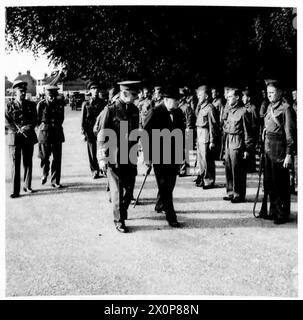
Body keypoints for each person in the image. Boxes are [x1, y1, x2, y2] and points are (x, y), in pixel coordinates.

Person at [97, 80, 141, 233]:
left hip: (130, 156)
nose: (136, 97)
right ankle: (119, 220)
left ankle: (123, 210)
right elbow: (102, 135)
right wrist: (102, 158)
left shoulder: (135, 110)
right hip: (113, 157)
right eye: (133, 94)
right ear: (124, 93)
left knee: (129, 190)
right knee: (117, 190)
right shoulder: (110, 110)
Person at [143, 86, 185, 227]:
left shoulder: (178, 112)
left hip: (173, 155)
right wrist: (147, 157)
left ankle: (160, 204)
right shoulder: (154, 112)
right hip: (159, 156)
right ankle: (171, 216)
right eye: (176, 100)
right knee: (165, 185)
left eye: (179, 100)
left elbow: (181, 135)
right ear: (166, 100)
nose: (178, 102)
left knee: (170, 183)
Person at [259, 81, 296, 224]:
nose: (269, 95)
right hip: (268, 147)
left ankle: (283, 212)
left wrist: (288, 154)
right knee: (269, 181)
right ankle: (273, 209)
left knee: (280, 182)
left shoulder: (286, 108)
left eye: (272, 92)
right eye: (268, 93)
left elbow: (290, 133)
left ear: (280, 93)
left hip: (279, 148)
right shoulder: (269, 107)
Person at [5, 80, 38, 198]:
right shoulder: (8, 105)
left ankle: (27, 186)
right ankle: (15, 190)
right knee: (15, 164)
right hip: (14, 138)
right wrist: (16, 129)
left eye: (24, 91)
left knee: (28, 162)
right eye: (20, 91)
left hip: (28, 137)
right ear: (15, 92)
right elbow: (6, 121)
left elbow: (35, 120)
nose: (23, 93)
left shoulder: (31, 105)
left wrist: (27, 127)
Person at [223, 87, 253, 203]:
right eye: (228, 96)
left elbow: (247, 132)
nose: (228, 98)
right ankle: (230, 192)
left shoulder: (243, 111)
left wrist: (247, 149)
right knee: (228, 168)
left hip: (238, 141)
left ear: (237, 97)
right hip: (228, 140)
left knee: (237, 169)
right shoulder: (229, 110)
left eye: (231, 96)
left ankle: (238, 194)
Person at [36, 85, 65, 188]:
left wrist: (55, 126)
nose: (52, 97)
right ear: (46, 95)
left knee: (57, 158)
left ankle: (55, 181)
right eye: (50, 95)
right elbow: (38, 120)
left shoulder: (60, 104)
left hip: (57, 133)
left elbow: (61, 118)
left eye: (53, 95)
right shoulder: (41, 105)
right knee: (44, 157)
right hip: (45, 133)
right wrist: (44, 127)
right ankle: (44, 173)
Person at [81, 80, 107, 179]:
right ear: (90, 91)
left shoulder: (103, 103)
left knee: (102, 150)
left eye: (97, 89)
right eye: (93, 89)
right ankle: (94, 170)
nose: (95, 90)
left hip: (100, 130)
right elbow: (82, 120)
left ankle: (103, 168)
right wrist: (82, 132)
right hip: (89, 131)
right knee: (92, 151)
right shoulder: (86, 104)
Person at [194, 85, 219, 188]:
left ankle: (209, 180)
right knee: (200, 159)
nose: (198, 97)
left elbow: (213, 125)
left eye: (200, 95)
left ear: (207, 96)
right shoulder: (200, 106)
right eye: (198, 95)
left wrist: (212, 141)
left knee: (207, 159)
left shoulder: (210, 108)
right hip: (199, 134)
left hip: (206, 134)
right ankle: (202, 177)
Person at [178, 87, 196, 176]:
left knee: (185, 151)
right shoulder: (178, 106)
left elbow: (189, 121)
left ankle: (184, 169)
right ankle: (181, 168)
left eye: (181, 96)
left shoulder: (187, 107)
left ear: (184, 97)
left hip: (185, 131)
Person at [242, 88, 260, 173]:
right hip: (247, 132)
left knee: (251, 150)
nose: (242, 98)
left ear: (248, 98)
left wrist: (254, 135)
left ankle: (251, 167)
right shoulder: (244, 107)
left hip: (252, 132)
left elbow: (255, 122)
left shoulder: (253, 108)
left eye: (244, 97)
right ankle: (248, 167)